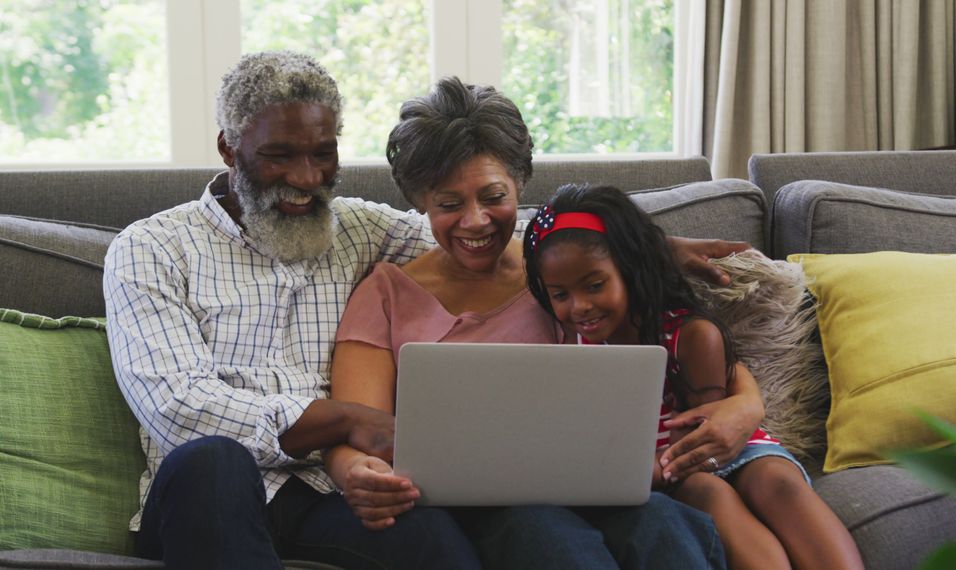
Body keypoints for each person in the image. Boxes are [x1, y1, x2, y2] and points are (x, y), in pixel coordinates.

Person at [103, 51, 747, 568]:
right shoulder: (152, 248)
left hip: (332, 492)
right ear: (228, 148)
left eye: (321, 154)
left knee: (440, 540)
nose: (305, 177)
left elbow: (483, 228)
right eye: (279, 156)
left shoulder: (358, 228)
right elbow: (178, 407)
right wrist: (347, 422)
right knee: (216, 458)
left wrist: (636, 242)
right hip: (212, 492)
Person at [326, 76, 764, 569]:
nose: (475, 222)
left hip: (596, 487)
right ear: (421, 202)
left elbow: (672, 336)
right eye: (449, 205)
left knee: (667, 525)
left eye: (494, 197)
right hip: (473, 510)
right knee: (549, 536)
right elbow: (356, 428)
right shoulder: (385, 294)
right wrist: (355, 471)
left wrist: (747, 403)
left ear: (520, 184)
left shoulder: (562, 278)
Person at [521, 184, 865, 570]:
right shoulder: (570, 342)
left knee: (778, 483)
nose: (580, 306)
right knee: (710, 494)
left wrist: (644, 469)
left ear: (630, 270)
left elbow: (709, 436)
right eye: (560, 294)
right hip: (673, 470)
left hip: (720, 446)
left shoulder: (693, 336)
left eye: (595, 286)